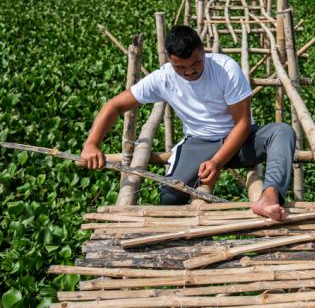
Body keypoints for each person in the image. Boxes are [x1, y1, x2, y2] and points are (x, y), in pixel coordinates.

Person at [80, 25, 294, 221]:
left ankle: (269, 196)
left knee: (282, 132)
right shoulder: (162, 79)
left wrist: (217, 162)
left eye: (196, 62)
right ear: (170, 61)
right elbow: (114, 105)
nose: (190, 71)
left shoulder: (226, 69)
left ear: (204, 51)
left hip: (241, 141)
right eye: (180, 67)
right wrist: (91, 144)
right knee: (171, 196)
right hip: (198, 144)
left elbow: (242, 124)